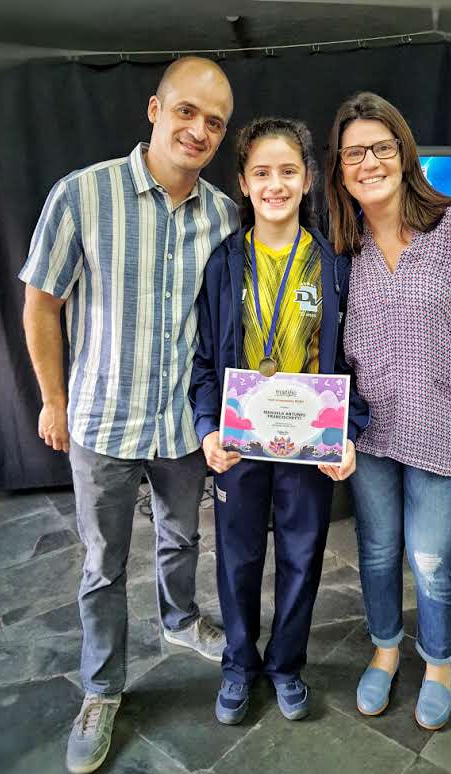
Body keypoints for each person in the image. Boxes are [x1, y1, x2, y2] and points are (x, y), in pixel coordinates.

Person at [19, 57, 239, 774]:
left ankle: (181, 620)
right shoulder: (82, 194)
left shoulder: (223, 215)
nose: (198, 130)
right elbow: (41, 304)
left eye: (214, 122)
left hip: (181, 424)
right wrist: (54, 400)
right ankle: (101, 688)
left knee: (182, 536)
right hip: (103, 420)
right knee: (102, 564)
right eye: (186, 111)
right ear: (154, 109)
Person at [325, 92, 451, 730]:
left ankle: (438, 662)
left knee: (434, 561)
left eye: (381, 148)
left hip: (445, 434)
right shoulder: (340, 247)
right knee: (377, 551)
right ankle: (385, 650)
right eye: (353, 153)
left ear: (404, 152)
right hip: (368, 437)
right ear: (339, 168)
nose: (368, 162)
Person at [190, 117, 369, 725]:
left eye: (288, 171)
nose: (276, 185)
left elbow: (354, 360)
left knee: (303, 556)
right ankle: (239, 664)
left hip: (309, 443)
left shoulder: (334, 265)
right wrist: (207, 427)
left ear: (308, 179)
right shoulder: (224, 263)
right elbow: (205, 360)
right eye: (262, 173)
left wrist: (348, 431)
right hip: (239, 442)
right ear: (243, 183)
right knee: (237, 558)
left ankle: (287, 664)